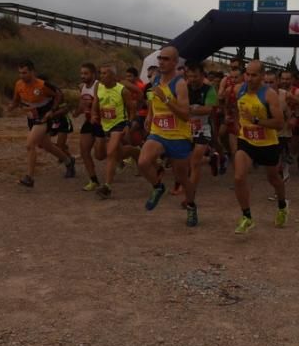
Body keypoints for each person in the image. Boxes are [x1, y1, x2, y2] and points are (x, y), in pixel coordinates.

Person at [137, 46, 198, 226]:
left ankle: (192, 206)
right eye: (160, 58)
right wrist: (149, 116)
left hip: (178, 135)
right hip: (158, 131)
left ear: (174, 62)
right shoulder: (156, 79)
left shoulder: (180, 84)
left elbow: (185, 114)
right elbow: (152, 100)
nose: (161, 62)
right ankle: (158, 186)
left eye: (165, 59)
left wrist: (166, 99)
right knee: (143, 162)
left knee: (182, 178)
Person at [232, 60, 288, 234]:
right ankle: (247, 217)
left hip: (268, 143)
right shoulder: (238, 90)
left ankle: (282, 206)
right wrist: (239, 125)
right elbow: (235, 111)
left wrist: (256, 120)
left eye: (254, 75)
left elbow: (279, 124)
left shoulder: (269, 95)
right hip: (246, 140)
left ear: (262, 76)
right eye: (247, 74)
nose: (249, 78)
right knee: (239, 177)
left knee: (273, 179)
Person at [9, 60, 76, 187]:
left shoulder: (42, 85)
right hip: (32, 118)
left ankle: (29, 177)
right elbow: (16, 100)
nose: (22, 76)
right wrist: (11, 107)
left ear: (32, 72)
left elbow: (58, 95)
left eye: (25, 73)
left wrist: (52, 110)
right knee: (46, 145)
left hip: (44, 118)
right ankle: (68, 161)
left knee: (30, 144)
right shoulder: (18, 84)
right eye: (20, 73)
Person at [91, 62, 140, 199]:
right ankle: (135, 152)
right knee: (101, 155)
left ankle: (107, 186)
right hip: (104, 124)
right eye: (100, 73)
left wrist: (128, 124)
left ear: (113, 76)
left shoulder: (122, 90)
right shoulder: (98, 86)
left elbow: (132, 109)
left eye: (105, 73)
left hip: (119, 124)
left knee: (111, 152)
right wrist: (94, 114)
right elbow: (96, 101)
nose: (101, 76)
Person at [186, 61, 218, 193]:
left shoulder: (209, 90)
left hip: (203, 128)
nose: (192, 79)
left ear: (202, 75)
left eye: (195, 76)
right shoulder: (184, 88)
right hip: (186, 129)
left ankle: (190, 193)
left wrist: (188, 109)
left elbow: (208, 110)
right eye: (190, 76)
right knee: (187, 160)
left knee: (194, 162)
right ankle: (211, 159)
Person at [76, 62, 106, 190]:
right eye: (82, 73)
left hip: (101, 122)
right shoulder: (82, 86)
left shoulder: (98, 85)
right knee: (84, 151)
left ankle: (120, 155)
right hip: (89, 122)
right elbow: (82, 102)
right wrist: (76, 112)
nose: (83, 76)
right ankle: (93, 180)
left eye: (86, 73)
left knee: (100, 156)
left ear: (93, 74)